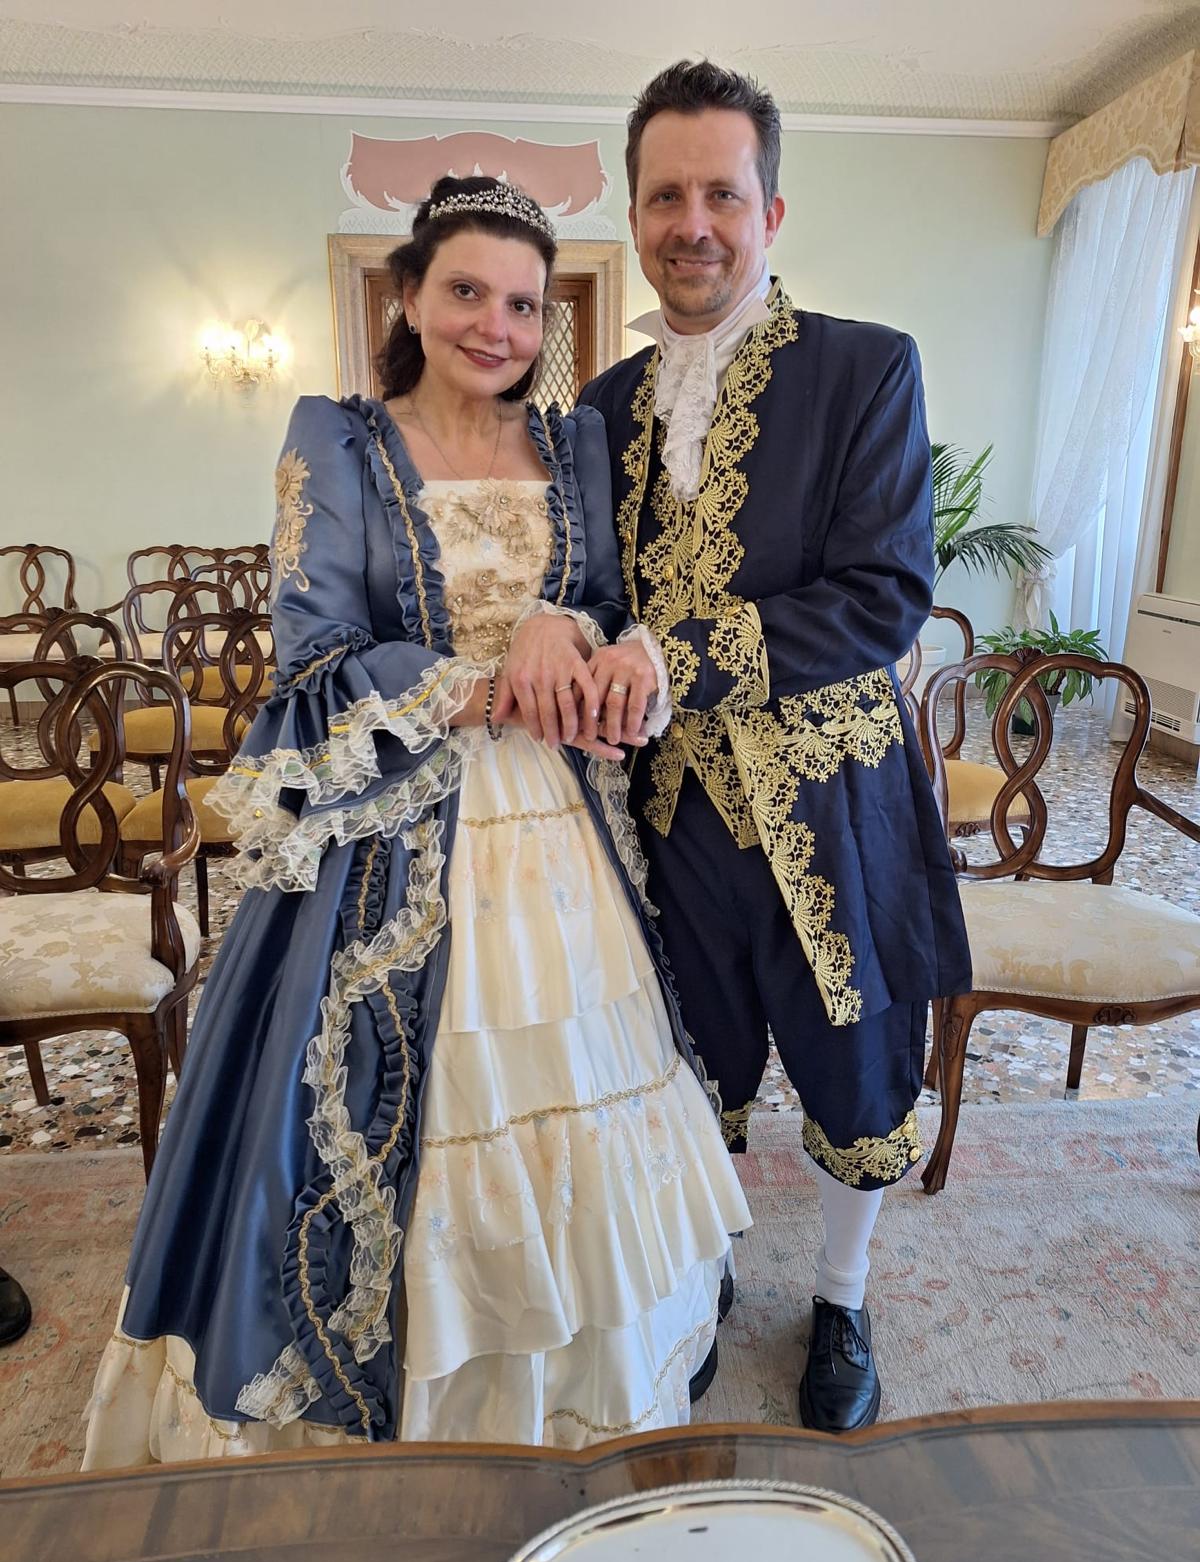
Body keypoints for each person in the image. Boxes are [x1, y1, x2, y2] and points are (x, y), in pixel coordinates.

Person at [81, 175, 749, 1467]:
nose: (495, 327)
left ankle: (579, 1385)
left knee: (584, 1078)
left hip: (558, 818)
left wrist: (583, 640)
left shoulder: (572, 447)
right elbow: (315, 651)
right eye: (465, 293)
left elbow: (603, 603)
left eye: (521, 304)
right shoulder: (339, 439)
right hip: (395, 813)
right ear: (408, 295)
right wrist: (495, 680)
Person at [579, 61, 972, 1433]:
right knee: (693, 1054)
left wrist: (675, 660)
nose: (695, 223)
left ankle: (847, 1296)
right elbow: (593, 594)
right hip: (672, 809)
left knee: (856, 1056)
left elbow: (883, 595)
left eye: (721, 195)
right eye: (666, 196)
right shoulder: (606, 401)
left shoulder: (868, 366)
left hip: (834, 799)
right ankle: (702, 1269)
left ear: (773, 208)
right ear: (634, 216)